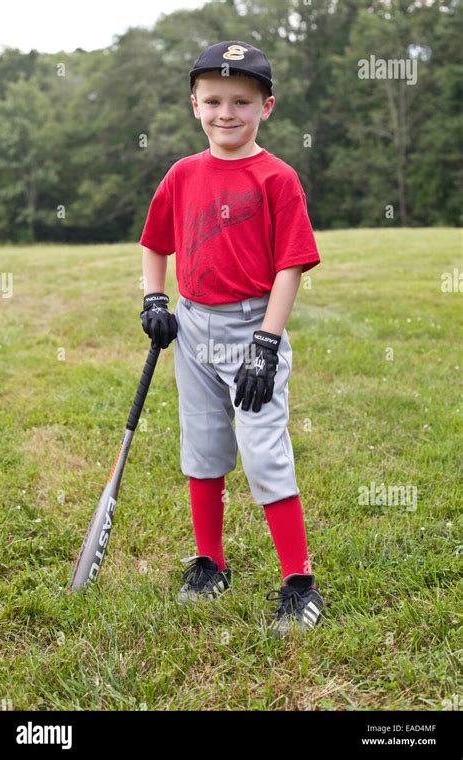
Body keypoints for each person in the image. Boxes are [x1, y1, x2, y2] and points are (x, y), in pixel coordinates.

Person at [138, 40, 325, 636]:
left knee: (264, 450)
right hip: (193, 325)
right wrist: (155, 301)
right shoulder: (183, 173)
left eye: (242, 101)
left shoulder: (277, 177)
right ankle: (210, 564)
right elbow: (155, 241)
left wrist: (267, 345)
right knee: (203, 446)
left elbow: (291, 265)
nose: (226, 112)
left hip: (252, 328)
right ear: (195, 104)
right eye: (213, 100)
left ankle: (299, 581)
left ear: (265, 107)